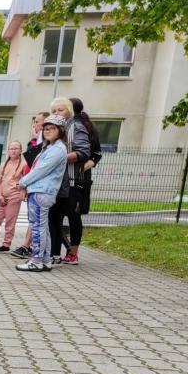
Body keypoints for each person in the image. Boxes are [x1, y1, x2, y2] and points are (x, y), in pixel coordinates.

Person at [15, 115, 68, 273]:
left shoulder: (57, 149)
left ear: (60, 131)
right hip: (40, 190)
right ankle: (45, 260)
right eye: (46, 129)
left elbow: (40, 170)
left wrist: (23, 182)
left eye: (52, 129)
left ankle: (36, 261)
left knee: (37, 227)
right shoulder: (51, 147)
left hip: (42, 191)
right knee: (42, 227)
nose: (48, 131)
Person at [47, 98, 90, 265]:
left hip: (72, 182)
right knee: (53, 218)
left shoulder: (76, 127)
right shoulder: (54, 130)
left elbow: (84, 152)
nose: (57, 113)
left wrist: (59, 158)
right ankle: (54, 254)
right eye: (54, 111)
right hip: (55, 183)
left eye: (61, 110)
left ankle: (73, 253)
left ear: (69, 111)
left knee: (73, 217)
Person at [67, 97, 102, 264]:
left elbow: (97, 153)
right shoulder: (65, 125)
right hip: (65, 178)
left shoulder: (84, 127)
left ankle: (73, 253)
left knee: (74, 216)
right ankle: (61, 250)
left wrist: (89, 164)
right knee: (57, 216)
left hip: (79, 180)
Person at [12, 111, 49, 259]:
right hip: (30, 183)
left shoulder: (44, 144)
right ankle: (28, 247)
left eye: (37, 122)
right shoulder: (36, 142)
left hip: (39, 186)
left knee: (38, 220)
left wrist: (33, 141)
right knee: (34, 219)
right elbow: (29, 164)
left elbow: (34, 163)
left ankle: (35, 251)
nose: (35, 125)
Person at [0, 140, 26, 252]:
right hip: (2, 197)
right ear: (8, 151)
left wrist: (20, 189)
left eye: (16, 148)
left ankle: (6, 245)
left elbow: (26, 180)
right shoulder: (3, 165)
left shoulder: (24, 164)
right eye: (11, 149)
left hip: (14, 197)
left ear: (20, 150)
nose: (13, 151)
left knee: (10, 222)